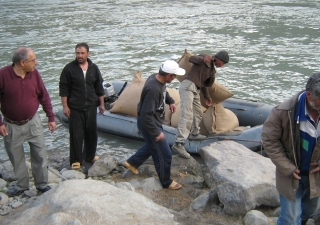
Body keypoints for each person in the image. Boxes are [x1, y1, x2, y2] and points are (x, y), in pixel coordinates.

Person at [262, 72, 320, 225]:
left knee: (309, 211)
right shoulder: (282, 112)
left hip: (316, 175)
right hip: (291, 175)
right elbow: (269, 141)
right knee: (290, 218)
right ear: (309, 95)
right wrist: (287, 167)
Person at [0, 47, 56, 196]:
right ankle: (22, 186)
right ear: (22, 62)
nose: (36, 63)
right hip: (11, 125)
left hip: (33, 122)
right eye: (33, 60)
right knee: (16, 157)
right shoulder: (3, 75)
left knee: (40, 154)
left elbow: (44, 95)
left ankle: (42, 184)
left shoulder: (35, 74)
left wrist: (51, 117)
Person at [122, 60, 185, 190]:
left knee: (152, 145)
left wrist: (171, 101)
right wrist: (157, 132)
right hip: (149, 124)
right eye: (174, 76)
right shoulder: (153, 89)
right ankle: (166, 182)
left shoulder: (157, 79)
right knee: (165, 153)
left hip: (154, 121)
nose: (175, 78)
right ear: (168, 75)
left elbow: (164, 92)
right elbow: (146, 116)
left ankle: (132, 163)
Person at [172, 50, 229, 159]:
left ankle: (194, 133)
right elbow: (191, 59)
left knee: (198, 112)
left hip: (196, 89)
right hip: (188, 86)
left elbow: (205, 85)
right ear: (220, 60)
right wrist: (203, 59)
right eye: (224, 63)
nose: (223, 65)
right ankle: (178, 143)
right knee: (187, 114)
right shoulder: (205, 58)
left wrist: (207, 97)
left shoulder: (212, 70)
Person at [59, 43, 105, 169]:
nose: (79, 55)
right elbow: (64, 89)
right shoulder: (69, 69)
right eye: (77, 53)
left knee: (91, 133)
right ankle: (76, 159)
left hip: (91, 106)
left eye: (82, 53)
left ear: (88, 54)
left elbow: (99, 88)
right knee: (76, 134)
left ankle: (89, 156)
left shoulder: (94, 68)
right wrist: (65, 106)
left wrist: (101, 104)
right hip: (75, 107)